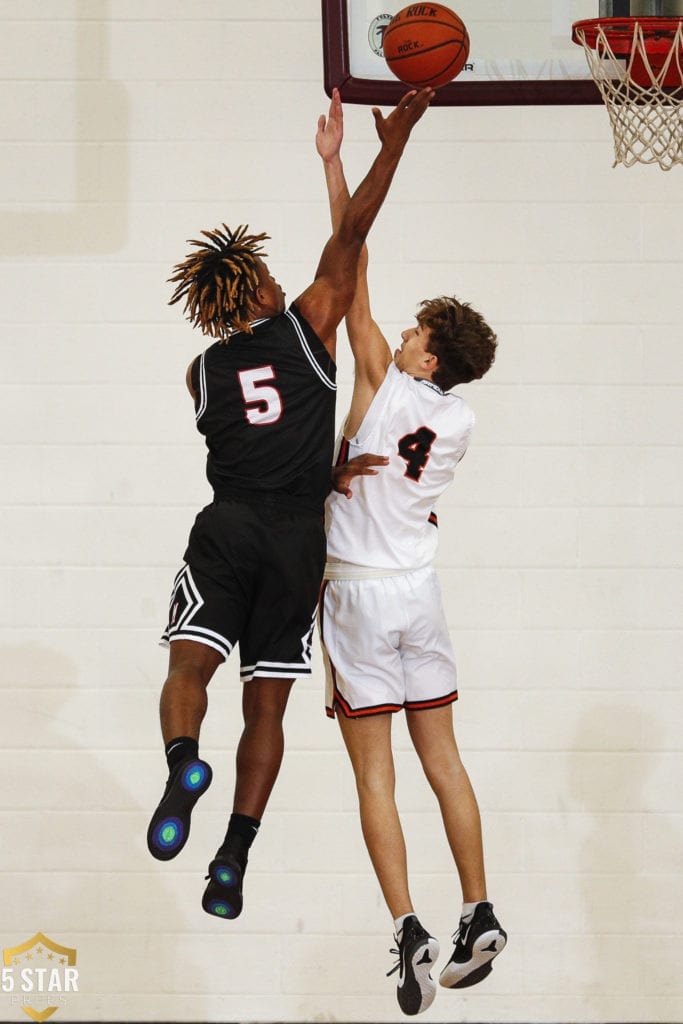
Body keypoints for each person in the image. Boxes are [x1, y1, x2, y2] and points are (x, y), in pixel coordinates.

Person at [146, 87, 434, 921]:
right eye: (268, 274)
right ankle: (233, 854)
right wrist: (394, 140)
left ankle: (179, 763)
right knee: (265, 702)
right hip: (298, 544)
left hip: (228, 528)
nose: (281, 278)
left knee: (186, 666)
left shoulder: (198, 376)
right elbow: (354, 234)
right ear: (257, 295)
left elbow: (253, 434)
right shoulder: (309, 325)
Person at [316, 95, 506, 1015]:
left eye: (418, 334)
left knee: (375, 774)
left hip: (357, 596)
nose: (405, 334)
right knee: (446, 762)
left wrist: (335, 166)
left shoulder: (386, 389)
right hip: (420, 593)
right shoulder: (460, 419)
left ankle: (407, 926)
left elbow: (348, 267)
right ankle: (480, 908)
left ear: (426, 361)